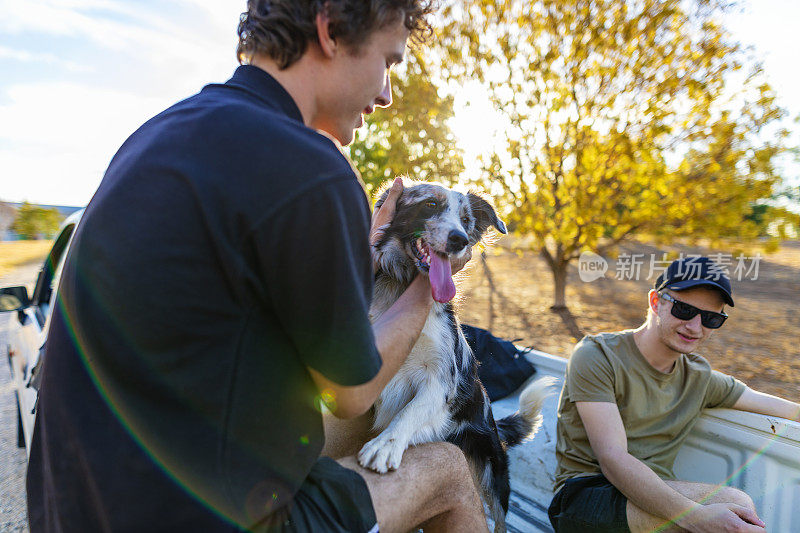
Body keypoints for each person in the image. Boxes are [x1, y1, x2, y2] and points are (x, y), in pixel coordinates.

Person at [26, 1, 489, 531]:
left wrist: (359, 256)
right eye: (388, 61)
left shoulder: (160, 133)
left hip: (75, 507)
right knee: (450, 471)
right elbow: (352, 391)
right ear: (331, 29)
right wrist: (432, 285)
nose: (386, 94)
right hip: (200, 518)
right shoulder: (312, 169)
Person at [548, 256, 800, 533]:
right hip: (585, 496)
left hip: (654, 494)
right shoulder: (597, 356)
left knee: (736, 508)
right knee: (733, 510)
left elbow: (776, 406)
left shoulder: (699, 377)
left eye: (711, 318)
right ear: (656, 302)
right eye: (683, 309)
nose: (695, 327)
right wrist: (696, 517)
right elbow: (613, 457)